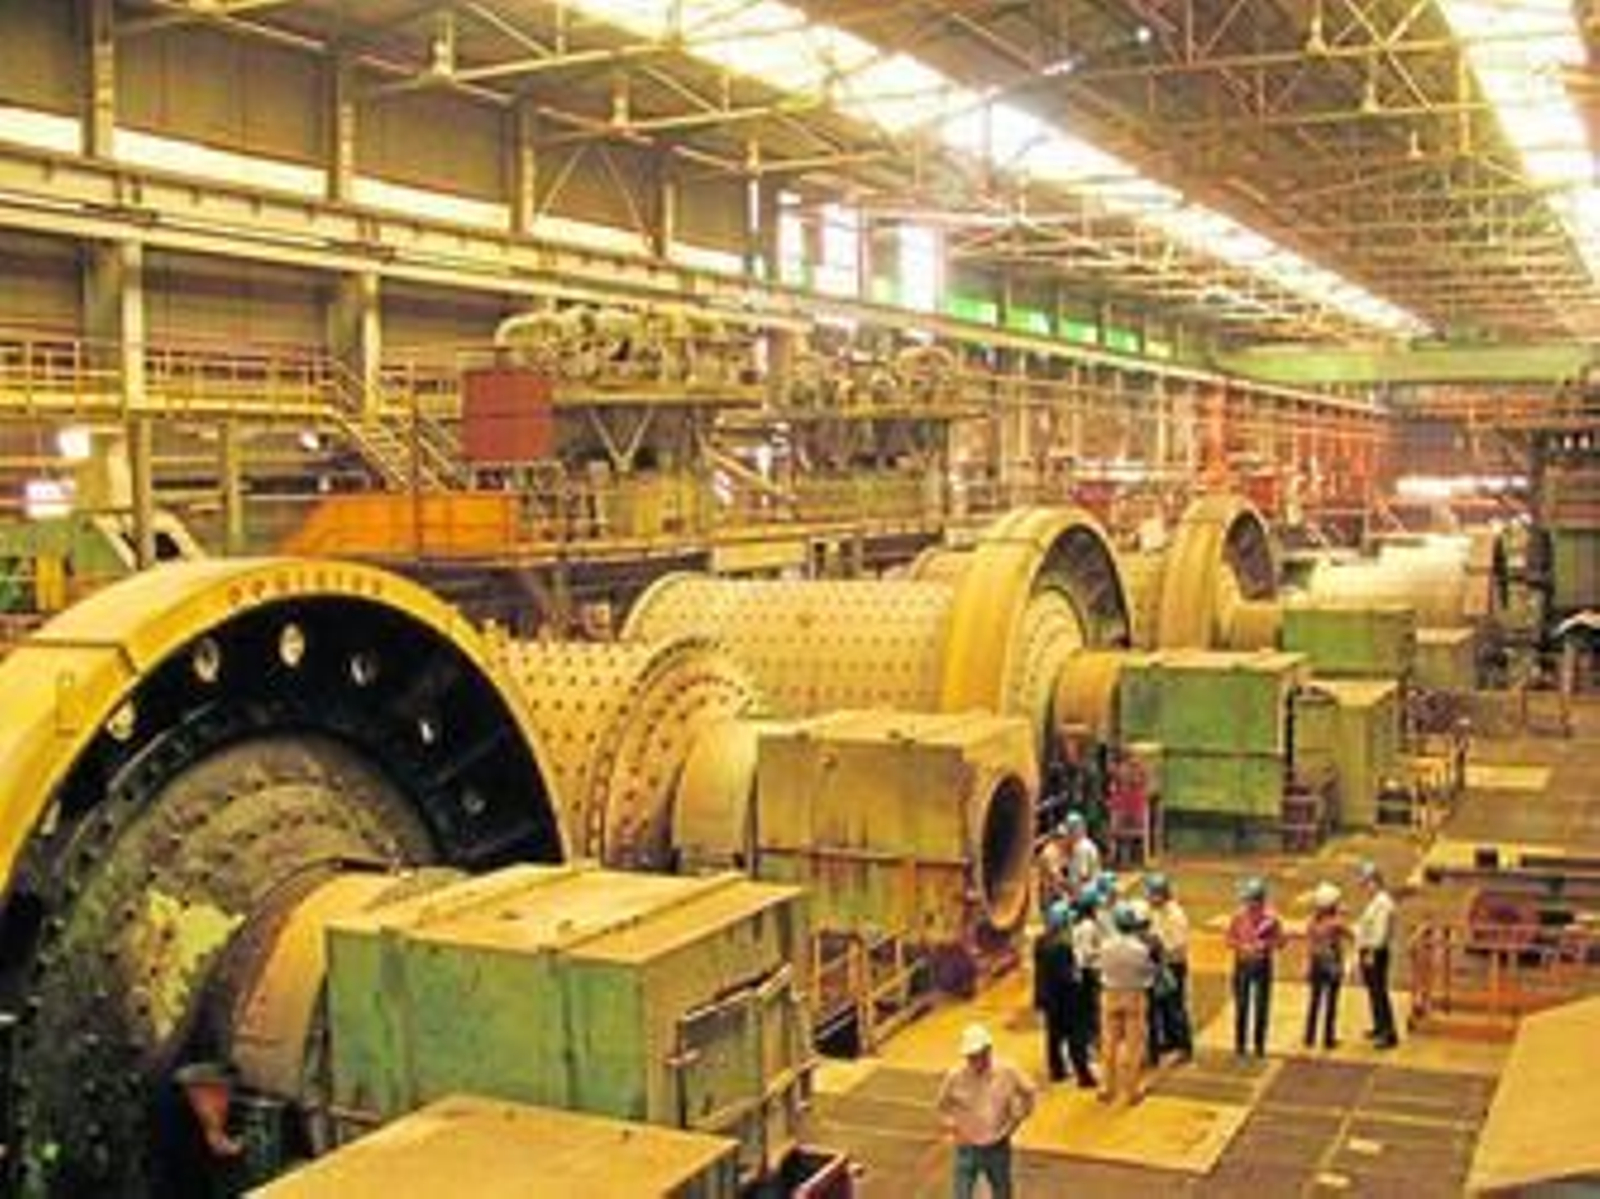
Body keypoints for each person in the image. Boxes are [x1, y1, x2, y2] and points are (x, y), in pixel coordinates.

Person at [937, 1023, 1036, 1199]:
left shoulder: (1007, 1071)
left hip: (997, 1146)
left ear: (988, 1051)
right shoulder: (955, 1077)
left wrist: (1020, 1116)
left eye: (978, 1056)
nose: (974, 1062)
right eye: (970, 1057)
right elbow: (943, 1106)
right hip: (967, 1147)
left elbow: (1029, 1090)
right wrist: (953, 1127)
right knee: (961, 1194)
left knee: (1002, 1192)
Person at [1098, 901, 1157, 1105]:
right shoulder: (1139, 949)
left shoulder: (1106, 945)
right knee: (1134, 1045)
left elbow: (1100, 967)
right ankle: (1132, 1091)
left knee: (1109, 1043)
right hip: (1134, 995)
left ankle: (1106, 1087)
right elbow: (1148, 972)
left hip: (1110, 994)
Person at [1033, 899, 1093, 1087]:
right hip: (1067, 1000)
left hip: (1048, 997)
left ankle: (1056, 1071)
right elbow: (1068, 977)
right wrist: (1080, 980)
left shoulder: (1040, 941)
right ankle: (1084, 1076)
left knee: (1053, 1037)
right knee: (1077, 1037)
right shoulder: (1062, 946)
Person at [1226, 877, 1285, 1057]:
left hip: (1262, 965)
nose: (1250, 905)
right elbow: (1229, 939)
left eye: (1254, 901)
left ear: (1261, 900)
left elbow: (1281, 941)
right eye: (1248, 901)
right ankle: (1240, 1045)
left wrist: (1266, 945)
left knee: (1261, 1007)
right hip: (1242, 964)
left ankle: (1259, 1045)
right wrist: (1241, 946)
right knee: (1241, 1006)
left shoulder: (1272, 919)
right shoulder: (1238, 917)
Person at [1145, 873, 1193, 1063]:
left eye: (1152, 894)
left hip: (1173, 965)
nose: (1149, 898)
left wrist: (1159, 949)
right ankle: (1170, 1040)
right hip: (1158, 963)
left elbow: (1178, 944)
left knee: (1175, 1006)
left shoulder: (1175, 914)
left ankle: (1184, 1046)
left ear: (1162, 894)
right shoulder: (1153, 910)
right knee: (1162, 1006)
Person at [1355, 862, 1400, 1049]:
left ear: (1374, 882)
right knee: (1374, 992)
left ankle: (1388, 1033)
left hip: (1375, 952)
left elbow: (1380, 935)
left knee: (1379, 992)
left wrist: (1370, 953)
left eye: (1366, 883)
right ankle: (1379, 1027)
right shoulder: (1376, 901)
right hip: (1370, 951)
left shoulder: (1382, 903)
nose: (1364, 888)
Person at [1304, 882, 1351, 1050]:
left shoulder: (1312, 921)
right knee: (1331, 1002)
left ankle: (1309, 1036)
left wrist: (1308, 966)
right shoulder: (1336, 923)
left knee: (1314, 1001)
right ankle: (1328, 1038)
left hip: (1316, 962)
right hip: (1331, 964)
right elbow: (1350, 934)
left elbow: (1309, 946)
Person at [1071, 889, 1105, 1061]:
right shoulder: (1089, 926)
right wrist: (1101, 951)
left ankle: (1090, 1044)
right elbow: (1086, 952)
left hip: (1080, 971)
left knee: (1085, 1010)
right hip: (1089, 971)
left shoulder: (1076, 924)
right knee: (1092, 1009)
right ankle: (1094, 1045)